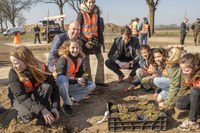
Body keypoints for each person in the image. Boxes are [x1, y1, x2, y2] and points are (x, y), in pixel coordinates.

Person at [8, 46, 60, 125]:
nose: (14, 66)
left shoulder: (41, 67)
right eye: (12, 63)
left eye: (16, 63)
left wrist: (55, 107)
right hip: (19, 99)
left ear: (26, 61)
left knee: (47, 86)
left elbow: (54, 87)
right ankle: (22, 116)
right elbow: (21, 97)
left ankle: (42, 111)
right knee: (30, 115)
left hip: (34, 94)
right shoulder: (13, 73)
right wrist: (41, 109)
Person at [54, 39, 96, 116]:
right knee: (62, 78)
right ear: (67, 48)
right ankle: (66, 104)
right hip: (59, 85)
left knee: (92, 85)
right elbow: (60, 76)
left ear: (80, 49)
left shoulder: (79, 60)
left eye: (77, 48)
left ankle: (71, 97)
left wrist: (84, 79)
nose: (75, 50)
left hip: (71, 83)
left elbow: (83, 73)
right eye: (73, 47)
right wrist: (76, 80)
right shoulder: (63, 59)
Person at [77, 0, 108, 87]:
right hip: (84, 41)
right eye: (89, 2)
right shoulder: (81, 14)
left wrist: (101, 41)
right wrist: (84, 42)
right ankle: (88, 82)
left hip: (95, 40)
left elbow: (99, 29)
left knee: (101, 60)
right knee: (86, 63)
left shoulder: (96, 13)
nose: (91, 4)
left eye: (93, 2)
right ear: (86, 2)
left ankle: (99, 81)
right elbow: (78, 30)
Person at [175, 53, 200, 131]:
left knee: (195, 91)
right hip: (197, 96)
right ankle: (197, 112)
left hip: (197, 93)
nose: (184, 72)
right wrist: (170, 103)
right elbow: (182, 89)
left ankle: (192, 121)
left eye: (186, 70)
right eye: (182, 70)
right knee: (179, 104)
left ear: (196, 67)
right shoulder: (186, 75)